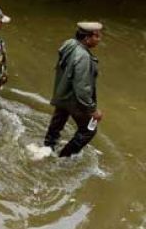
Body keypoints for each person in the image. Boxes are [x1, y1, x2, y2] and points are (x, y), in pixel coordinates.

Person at [44, 22, 104, 158]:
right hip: (75, 99)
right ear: (87, 38)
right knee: (89, 130)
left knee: (58, 121)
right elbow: (82, 88)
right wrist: (92, 110)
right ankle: (65, 156)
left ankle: (48, 147)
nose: (99, 39)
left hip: (62, 93)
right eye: (97, 36)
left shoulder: (69, 43)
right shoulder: (83, 57)